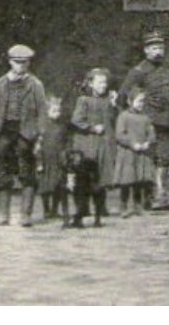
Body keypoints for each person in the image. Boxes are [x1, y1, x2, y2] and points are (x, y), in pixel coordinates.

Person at [119, 30, 169, 209]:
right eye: (154, 47)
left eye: (161, 47)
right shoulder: (138, 71)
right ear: (146, 51)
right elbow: (123, 94)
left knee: (164, 158)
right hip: (146, 122)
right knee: (147, 158)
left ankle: (160, 193)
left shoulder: (166, 70)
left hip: (164, 121)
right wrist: (134, 114)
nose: (158, 51)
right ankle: (147, 196)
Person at [0, 42, 48, 227]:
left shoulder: (35, 85)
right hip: (4, 132)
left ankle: (25, 215)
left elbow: (42, 112)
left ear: (29, 63)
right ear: (10, 62)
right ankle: (3, 215)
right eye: (17, 62)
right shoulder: (1, 83)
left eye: (24, 62)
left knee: (27, 172)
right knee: (3, 172)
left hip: (26, 133)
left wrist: (40, 137)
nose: (21, 65)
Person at [68, 67, 115, 229]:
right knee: (86, 177)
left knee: (101, 175)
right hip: (87, 144)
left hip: (102, 144)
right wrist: (92, 128)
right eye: (100, 82)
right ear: (91, 83)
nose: (104, 85)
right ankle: (82, 209)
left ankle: (100, 207)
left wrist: (115, 105)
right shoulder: (83, 100)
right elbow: (76, 120)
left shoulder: (108, 100)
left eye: (105, 82)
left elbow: (113, 119)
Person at [113, 90, 157, 217]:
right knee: (126, 181)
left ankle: (138, 206)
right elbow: (120, 135)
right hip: (128, 153)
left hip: (142, 153)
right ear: (129, 101)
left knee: (139, 180)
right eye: (138, 101)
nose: (140, 104)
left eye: (142, 101)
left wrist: (148, 143)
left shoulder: (146, 118)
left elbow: (152, 134)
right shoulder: (123, 116)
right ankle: (123, 207)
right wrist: (133, 144)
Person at [37, 94, 70, 224]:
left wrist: (66, 153)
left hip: (58, 159)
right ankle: (46, 209)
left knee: (58, 184)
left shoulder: (62, 126)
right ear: (47, 111)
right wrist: (39, 160)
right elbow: (38, 144)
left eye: (59, 111)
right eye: (54, 111)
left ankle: (55, 210)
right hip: (45, 159)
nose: (57, 113)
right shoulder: (42, 125)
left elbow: (66, 141)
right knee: (45, 185)